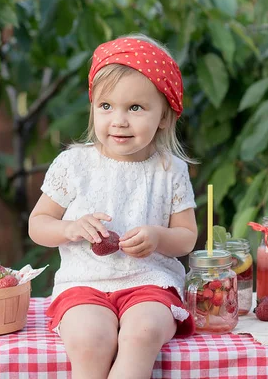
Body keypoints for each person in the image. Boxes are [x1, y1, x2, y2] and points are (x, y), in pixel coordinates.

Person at [28, 34, 198, 379]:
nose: (118, 120)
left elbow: (186, 237)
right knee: (90, 340)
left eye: (135, 108)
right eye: (106, 106)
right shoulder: (73, 165)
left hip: (150, 282)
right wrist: (69, 228)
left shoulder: (170, 171)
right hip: (83, 284)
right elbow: (38, 224)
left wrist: (157, 236)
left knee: (143, 332)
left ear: (164, 115)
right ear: (93, 107)